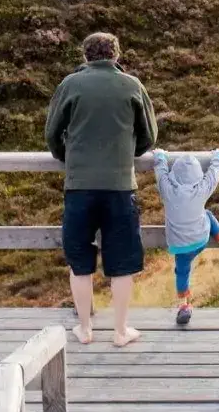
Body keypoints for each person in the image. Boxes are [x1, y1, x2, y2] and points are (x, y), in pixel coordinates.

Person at [47, 30, 156, 346]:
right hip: (120, 186)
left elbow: (53, 134)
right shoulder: (132, 85)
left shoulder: (70, 85)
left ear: (85, 56)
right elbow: (148, 135)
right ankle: (121, 331)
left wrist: (69, 157)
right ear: (116, 55)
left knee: (79, 260)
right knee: (122, 262)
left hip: (79, 186)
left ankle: (85, 328)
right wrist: (127, 152)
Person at [153, 147, 219, 329]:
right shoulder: (202, 189)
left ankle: (184, 305)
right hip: (201, 239)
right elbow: (214, 174)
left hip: (180, 245)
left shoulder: (167, 189)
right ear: (197, 175)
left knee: (182, 272)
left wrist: (160, 156)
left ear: (175, 175)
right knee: (207, 213)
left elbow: (160, 172)